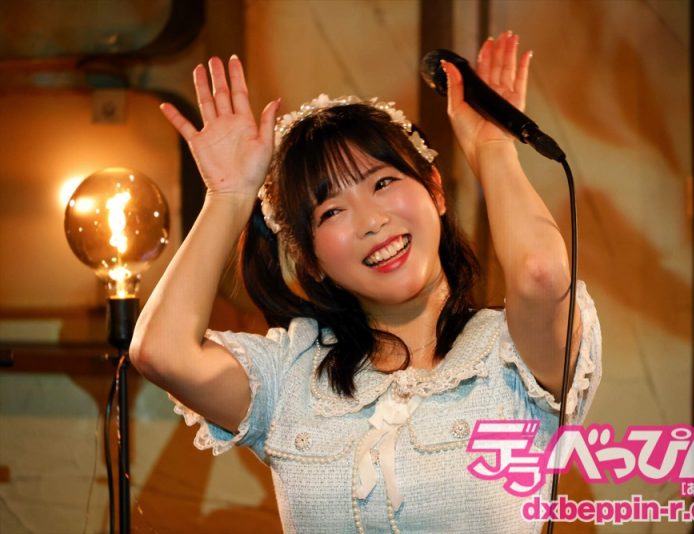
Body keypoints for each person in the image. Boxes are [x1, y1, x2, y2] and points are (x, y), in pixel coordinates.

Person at [131, 31, 601, 533]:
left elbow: (540, 273)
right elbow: (162, 353)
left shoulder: (514, 354)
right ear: (309, 259)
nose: (371, 221)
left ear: (435, 191)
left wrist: (492, 147)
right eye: (331, 211)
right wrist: (228, 196)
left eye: (383, 182)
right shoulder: (289, 374)